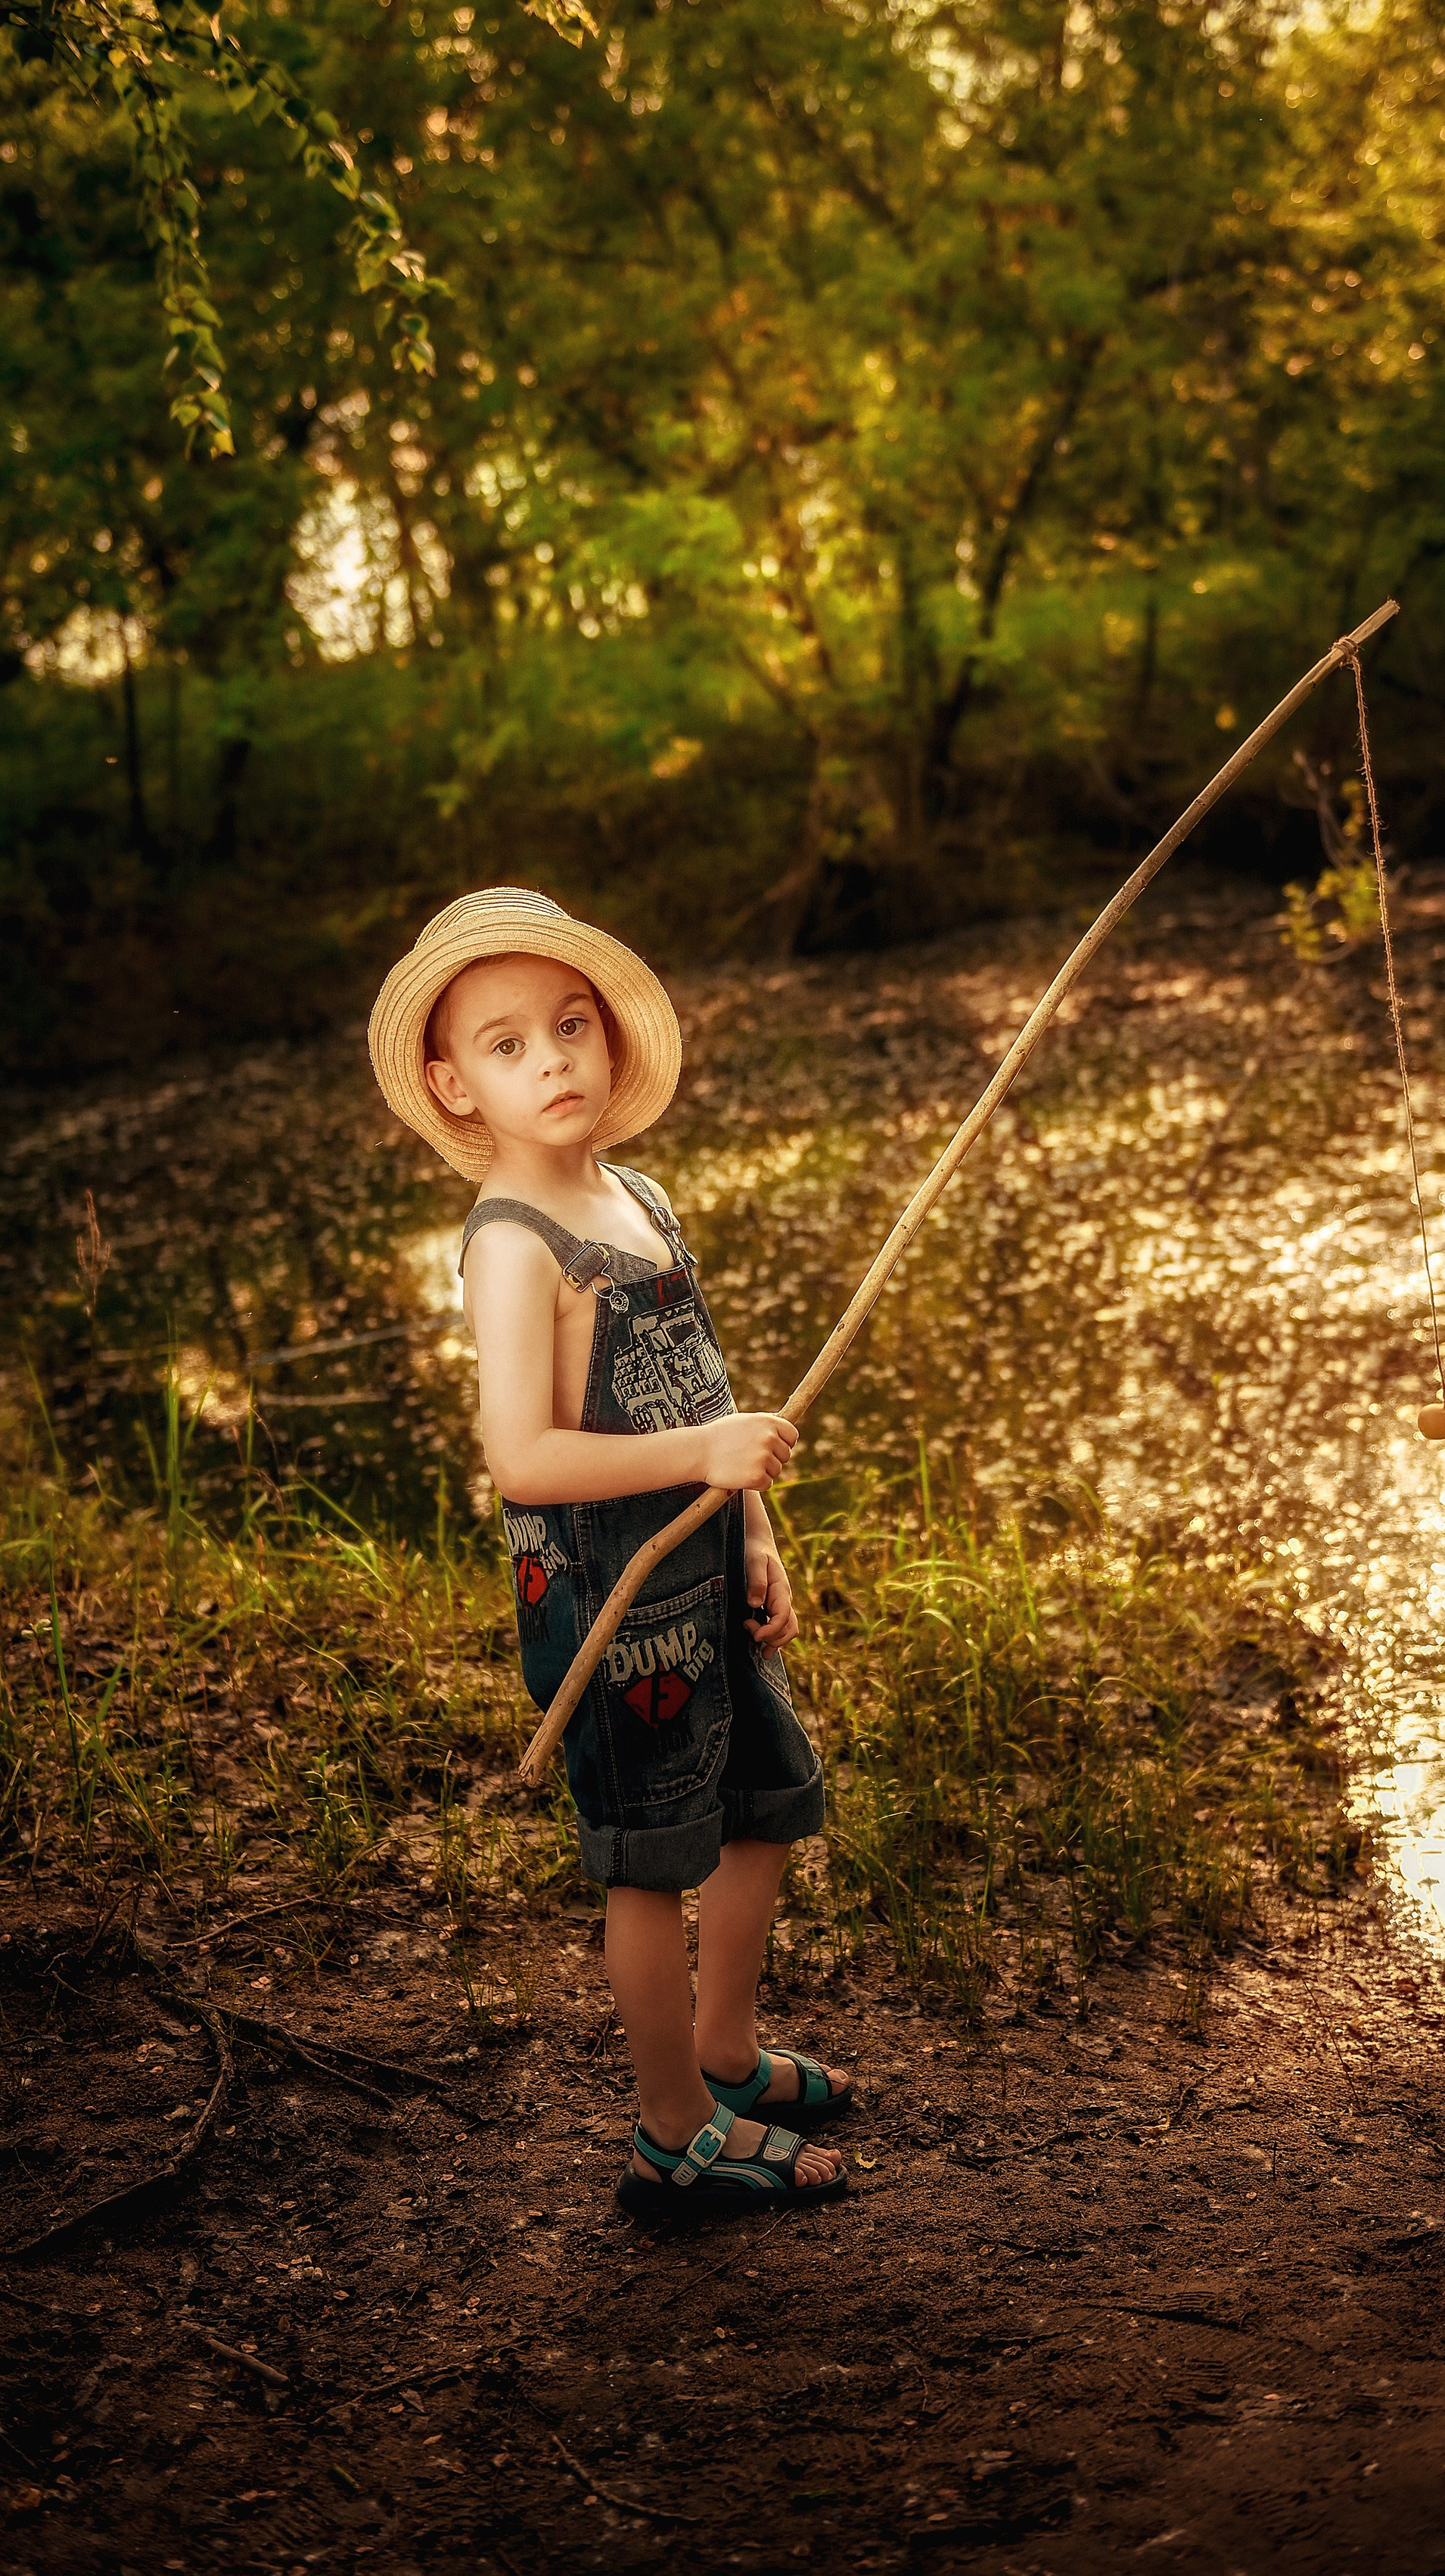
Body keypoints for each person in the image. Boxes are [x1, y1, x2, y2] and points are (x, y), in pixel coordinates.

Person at [368, 889, 850, 2222]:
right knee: (651, 1857)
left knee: (764, 1807)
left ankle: (727, 2045)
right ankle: (670, 2129)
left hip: (700, 1564)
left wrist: (753, 1526)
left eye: (570, 1027)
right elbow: (525, 1458)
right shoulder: (513, 1244)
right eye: (510, 1044)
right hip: (609, 1596)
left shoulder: (638, 1197)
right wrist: (705, 1460)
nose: (556, 1061)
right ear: (453, 1080)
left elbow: (699, 1385)